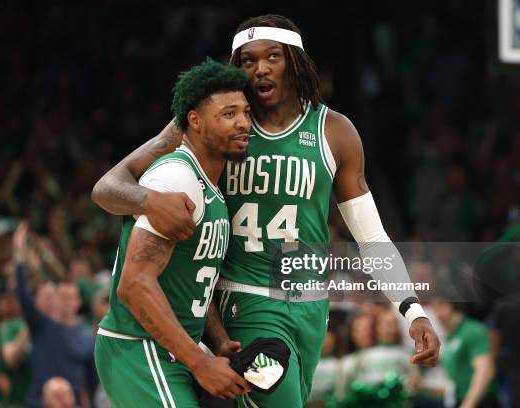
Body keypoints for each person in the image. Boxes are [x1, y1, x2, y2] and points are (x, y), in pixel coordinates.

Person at [92, 14, 440, 407]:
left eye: (272, 56)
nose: (259, 68)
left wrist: (412, 312)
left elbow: (371, 236)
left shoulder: (335, 131)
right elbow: (108, 187)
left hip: (310, 305)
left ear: (295, 61)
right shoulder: (213, 122)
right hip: (246, 298)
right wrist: (147, 200)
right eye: (247, 60)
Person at [94, 58, 252, 407]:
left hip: (171, 350)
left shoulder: (211, 187)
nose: (243, 123)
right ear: (194, 121)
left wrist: (218, 341)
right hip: (138, 347)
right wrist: (201, 363)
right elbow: (135, 285)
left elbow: (192, 279)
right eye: (228, 114)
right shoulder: (177, 176)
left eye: (245, 112)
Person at [13, 222, 95, 408]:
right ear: (55, 300)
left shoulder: (87, 336)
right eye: (62, 297)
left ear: (78, 303)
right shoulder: (41, 325)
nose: (66, 301)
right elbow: (22, 295)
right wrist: (18, 252)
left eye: (71, 297)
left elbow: (91, 384)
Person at [433, 301, 499, 408]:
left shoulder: (472, 331)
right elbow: (453, 382)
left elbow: (485, 371)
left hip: (481, 402)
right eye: (435, 309)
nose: (437, 315)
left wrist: (468, 404)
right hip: (458, 399)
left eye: (440, 307)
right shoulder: (450, 336)